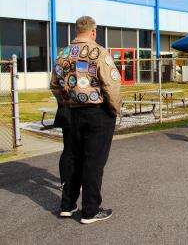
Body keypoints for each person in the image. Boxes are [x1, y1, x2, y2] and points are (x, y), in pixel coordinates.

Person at [50, 16, 121, 224]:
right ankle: (90, 210)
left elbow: (54, 85)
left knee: (72, 158)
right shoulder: (99, 52)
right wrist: (114, 109)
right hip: (96, 113)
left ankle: (67, 205)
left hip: (70, 112)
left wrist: (66, 101)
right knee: (93, 161)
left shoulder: (62, 55)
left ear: (76, 31)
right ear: (93, 32)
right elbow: (112, 85)